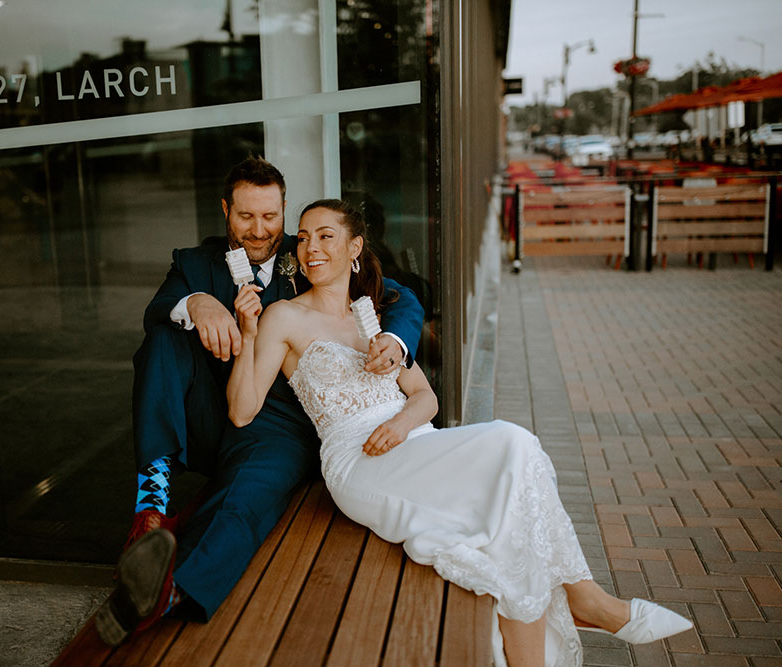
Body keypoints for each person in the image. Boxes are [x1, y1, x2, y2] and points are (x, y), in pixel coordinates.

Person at [223, 199, 693, 667]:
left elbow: (425, 398)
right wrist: (247, 335)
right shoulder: (284, 316)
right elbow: (242, 412)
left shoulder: (372, 318)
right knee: (514, 444)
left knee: (513, 497)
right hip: (360, 458)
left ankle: (566, 620)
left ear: (355, 247)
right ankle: (586, 599)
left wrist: (401, 422)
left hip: (413, 439)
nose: (310, 247)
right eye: (303, 237)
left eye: (325, 235)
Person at [94, 159, 424, 647]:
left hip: (282, 424)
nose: (259, 229)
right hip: (211, 412)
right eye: (246, 216)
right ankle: (152, 506)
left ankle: (168, 591)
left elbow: (400, 296)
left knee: (245, 502)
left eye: (270, 217)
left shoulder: (310, 253)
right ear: (226, 210)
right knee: (162, 338)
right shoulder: (194, 263)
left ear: (284, 210)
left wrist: (397, 339)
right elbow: (156, 309)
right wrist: (198, 304)